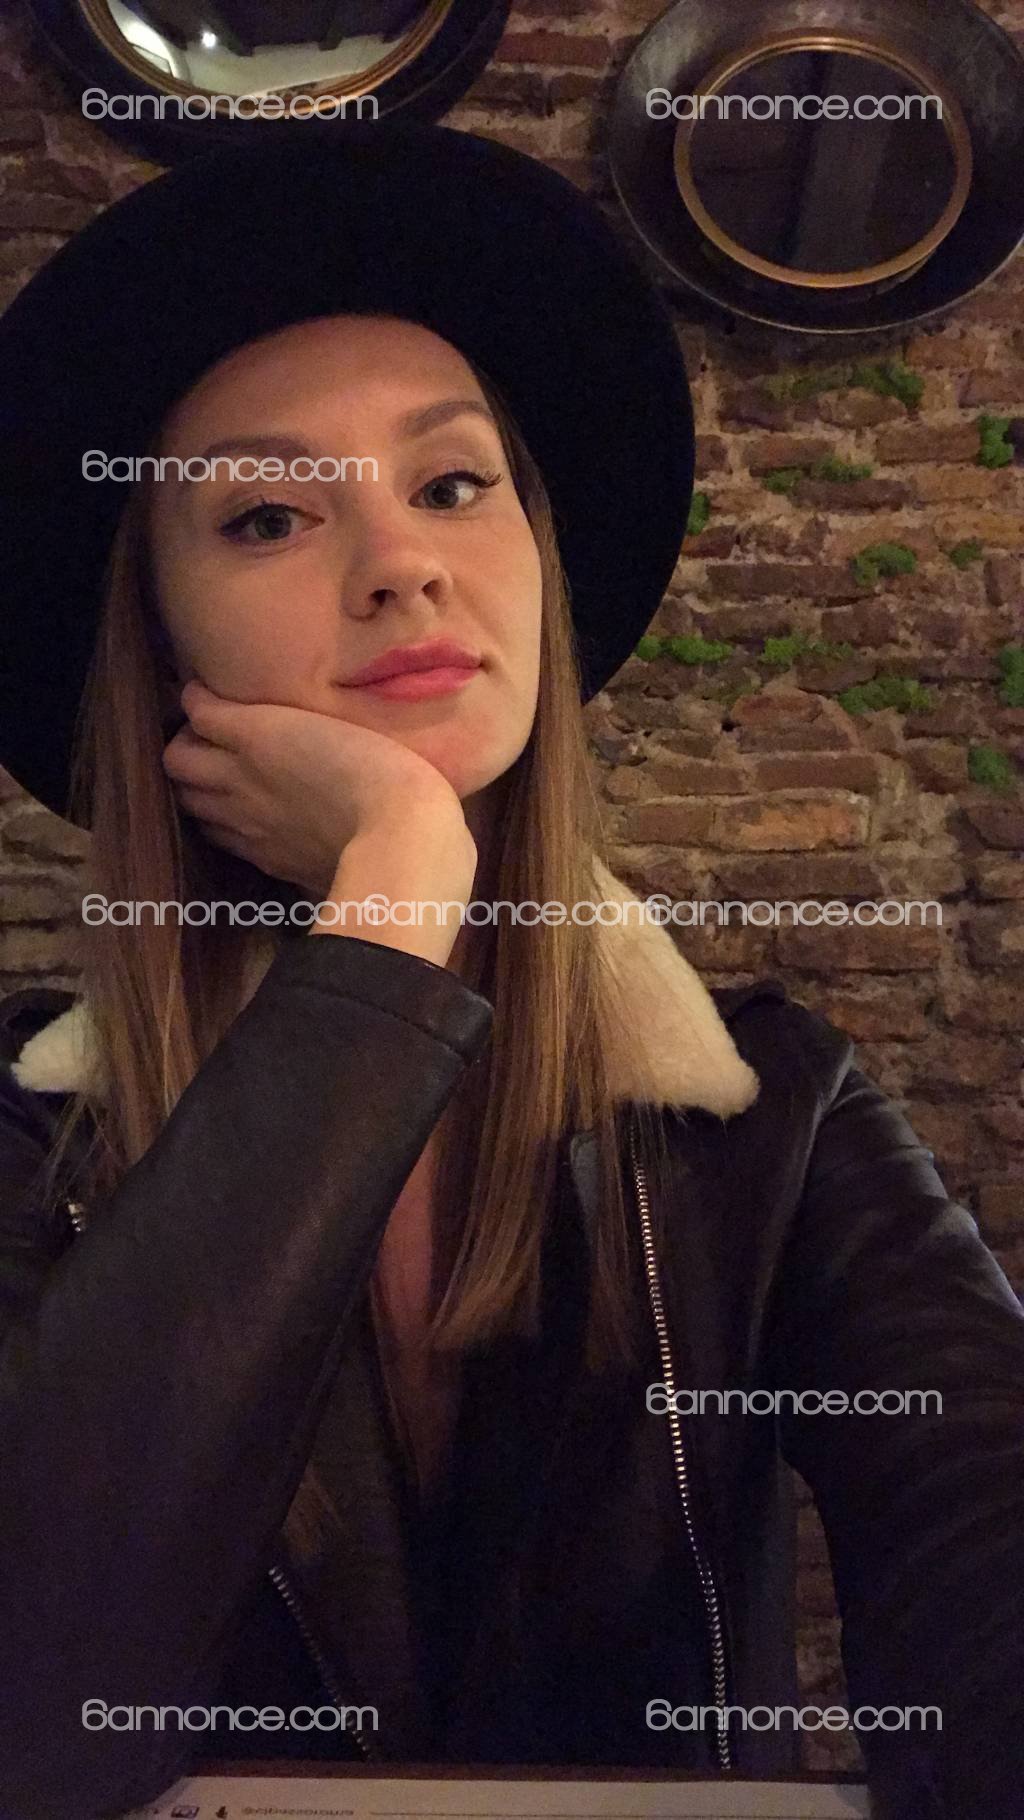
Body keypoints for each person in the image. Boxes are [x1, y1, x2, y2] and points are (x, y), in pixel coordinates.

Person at [0, 125, 1021, 1820]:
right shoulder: (37, 1140)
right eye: (267, 514)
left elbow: (983, 1522)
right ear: (158, 645)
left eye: (455, 486)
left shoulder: (770, 1120)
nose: (403, 561)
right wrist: (399, 877)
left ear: (537, 557)